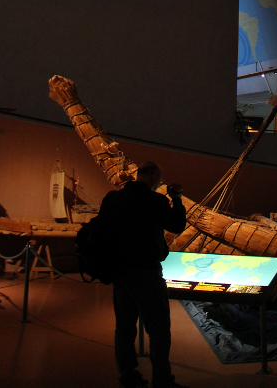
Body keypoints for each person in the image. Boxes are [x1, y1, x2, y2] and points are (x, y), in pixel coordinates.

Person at [98, 161, 187, 388]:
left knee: (124, 328)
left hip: (120, 273)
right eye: (160, 179)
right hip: (146, 272)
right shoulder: (155, 200)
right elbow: (177, 226)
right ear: (155, 176)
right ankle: (162, 381)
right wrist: (177, 199)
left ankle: (128, 377)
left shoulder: (113, 199)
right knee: (158, 330)